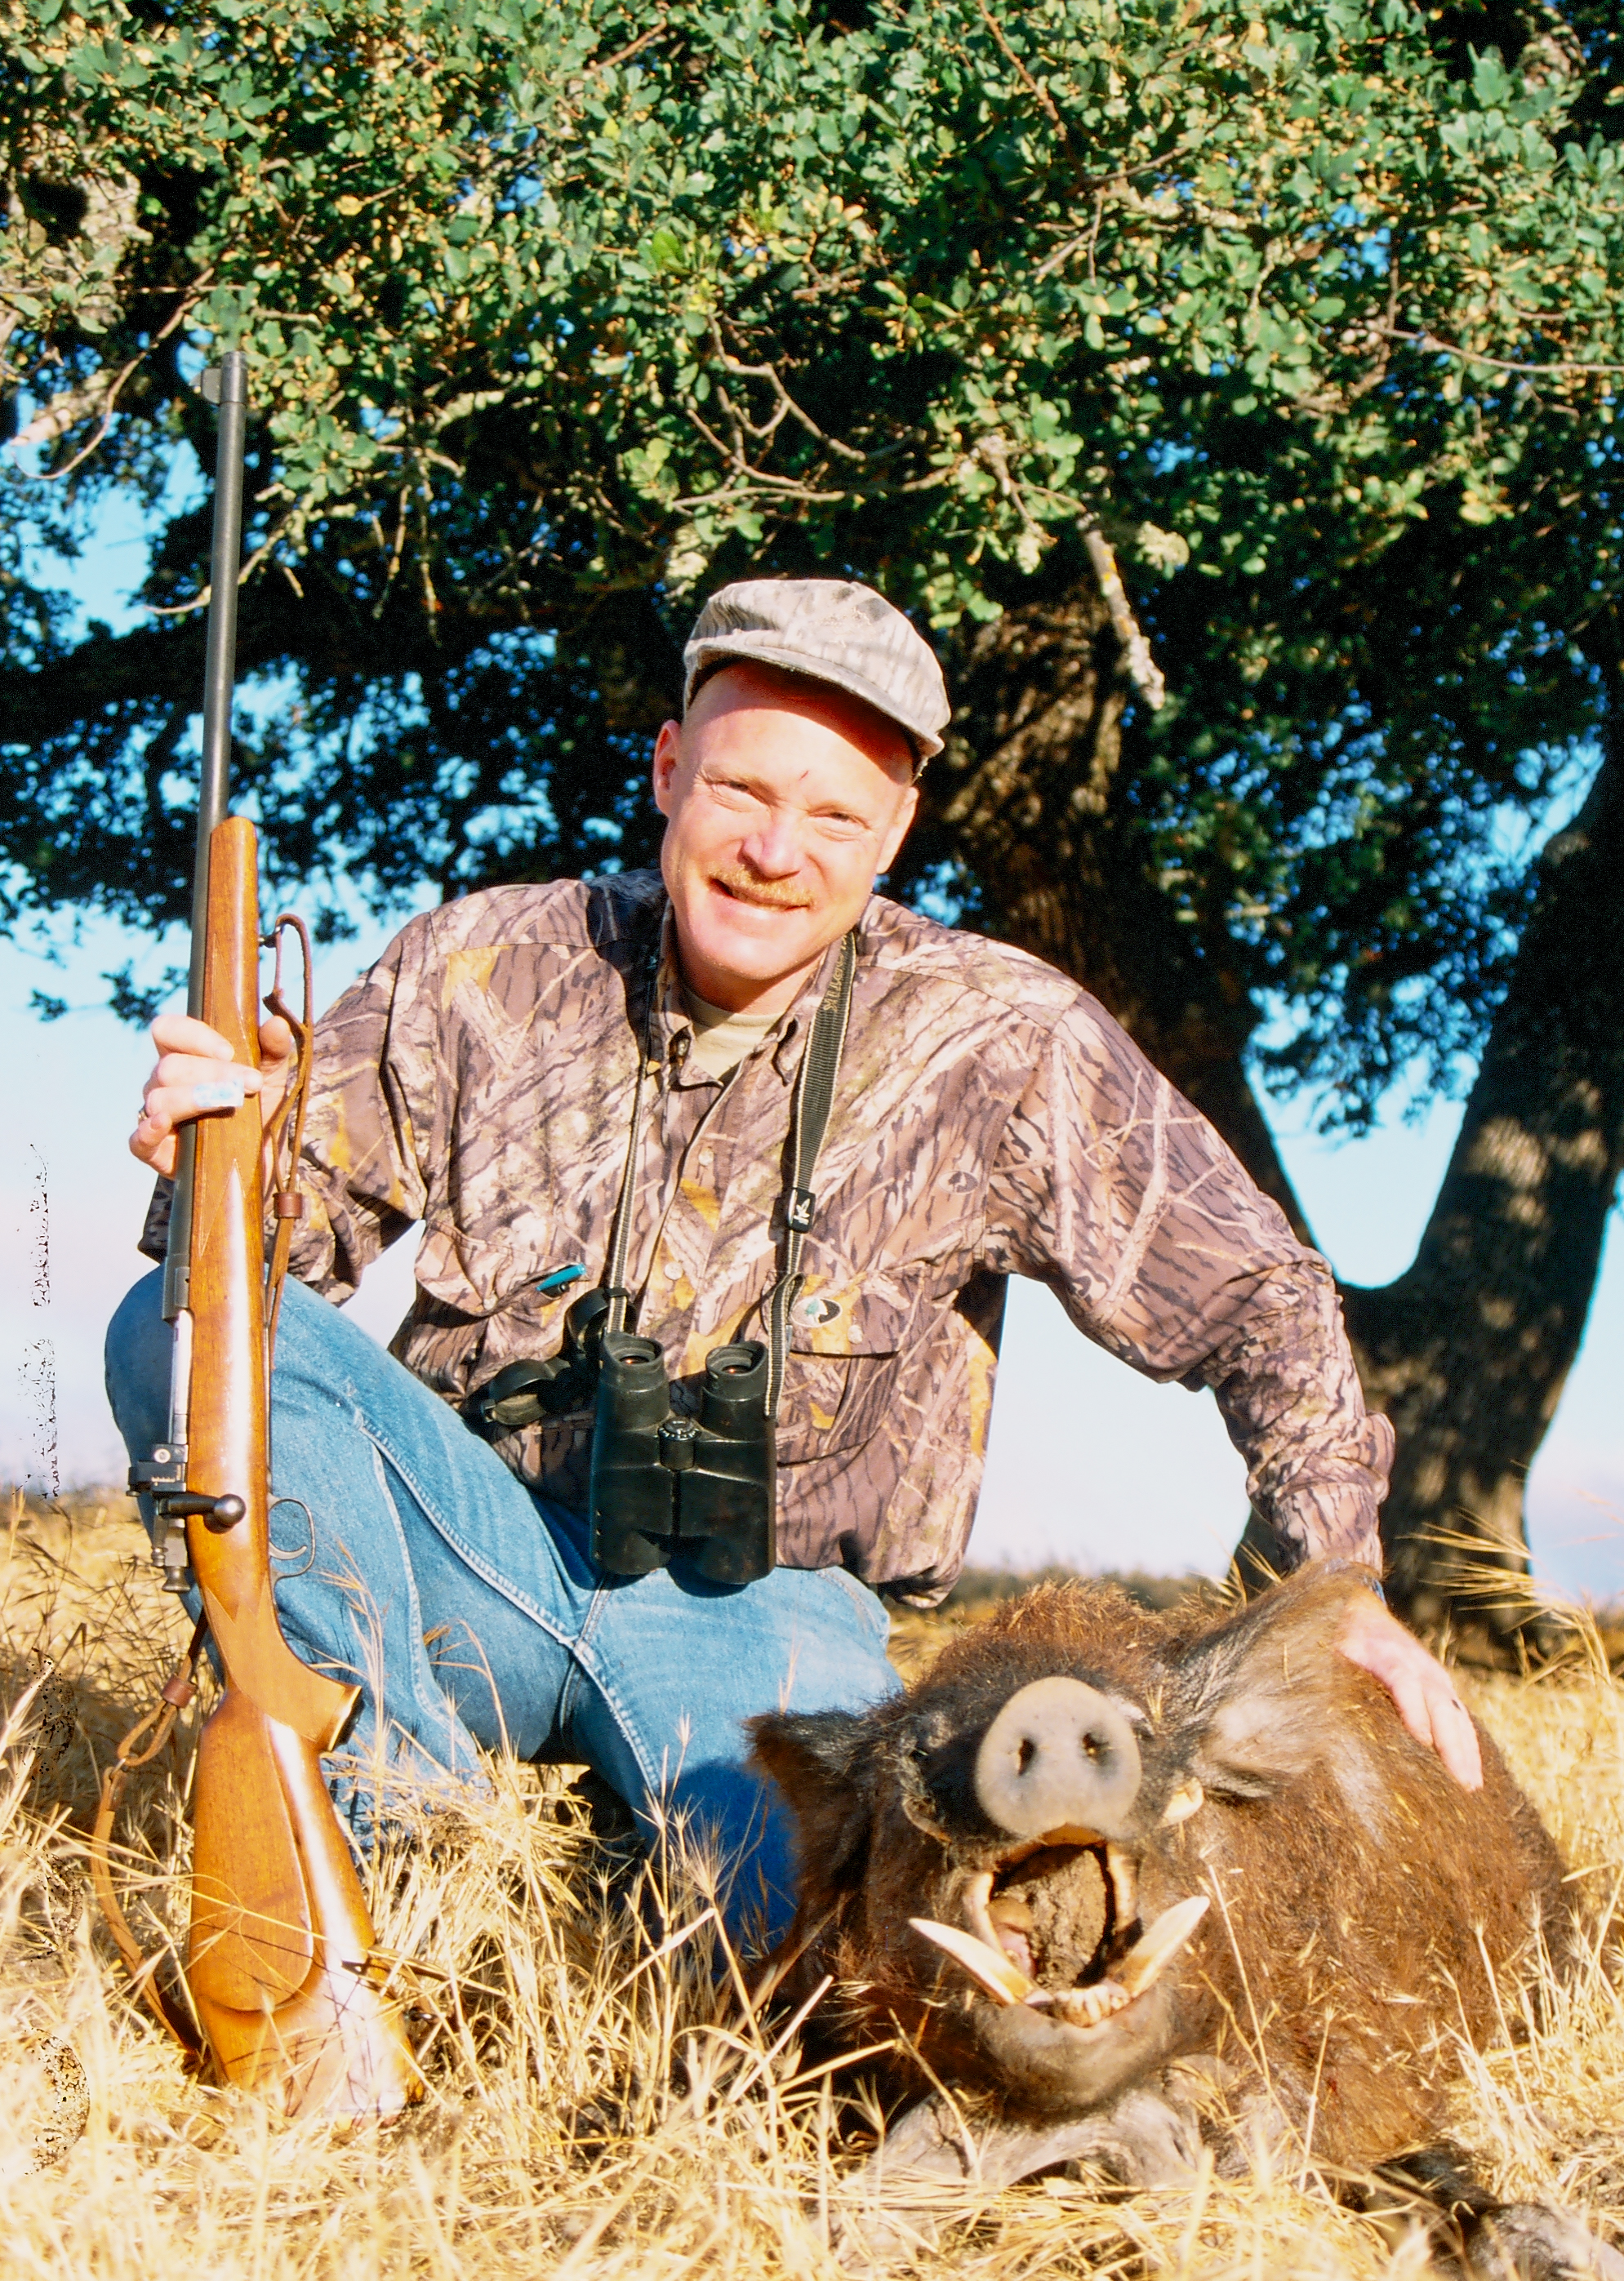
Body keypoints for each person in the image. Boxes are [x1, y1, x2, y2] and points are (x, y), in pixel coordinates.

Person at [109, 578, 1480, 1946]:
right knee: (169, 1331)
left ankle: (633, 1872)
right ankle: (381, 1860)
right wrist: (228, 1154)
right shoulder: (481, 963)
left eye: (834, 815)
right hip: (473, 1561)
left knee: (803, 1966)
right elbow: (257, 1286)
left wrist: (1333, 1586)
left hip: (761, 1607)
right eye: (741, 791)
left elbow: (1260, 1296)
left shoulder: (995, 1037)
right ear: (666, 770)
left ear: (896, 832)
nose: (777, 850)